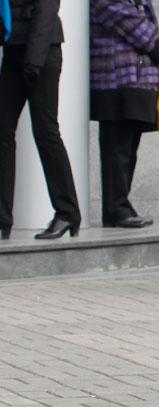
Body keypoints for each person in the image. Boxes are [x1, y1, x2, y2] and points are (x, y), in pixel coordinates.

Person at [0, 0, 81, 240]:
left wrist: (34, 60)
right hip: (14, 50)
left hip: (41, 53)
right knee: (2, 131)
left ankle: (67, 212)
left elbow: (46, 10)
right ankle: (2, 220)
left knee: (46, 132)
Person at [90, 0, 159, 229]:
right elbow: (127, 20)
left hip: (133, 79)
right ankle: (117, 210)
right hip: (115, 78)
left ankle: (120, 207)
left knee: (127, 147)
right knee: (117, 148)